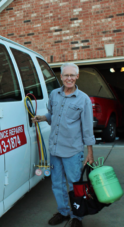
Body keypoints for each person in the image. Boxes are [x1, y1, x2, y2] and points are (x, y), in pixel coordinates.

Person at [32, 63, 95, 227]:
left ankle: (77, 216)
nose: (69, 78)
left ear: (77, 77)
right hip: (55, 149)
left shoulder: (83, 100)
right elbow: (53, 115)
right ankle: (63, 212)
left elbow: (87, 128)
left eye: (72, 75)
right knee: (57, 184)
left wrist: (90, 152)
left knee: (76, 185)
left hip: (73, 150)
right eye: (66, 75)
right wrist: (43, 117)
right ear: (61, 77)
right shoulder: (54, 94)